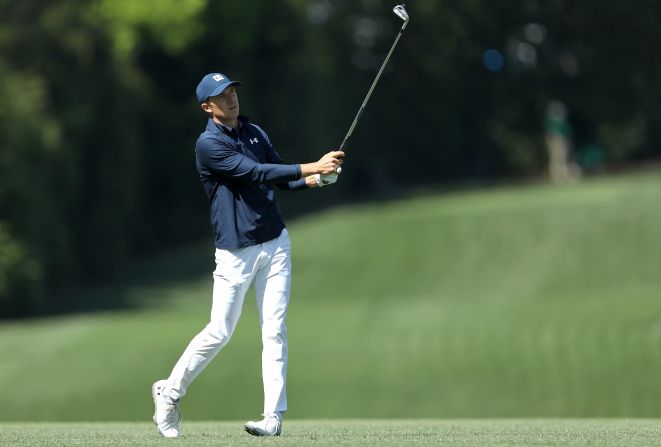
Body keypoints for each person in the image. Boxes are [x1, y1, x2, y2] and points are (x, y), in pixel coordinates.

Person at [151, 72, 344, 438]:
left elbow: (278, 176)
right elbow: (254, 172)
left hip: (275, 242)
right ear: (207, 107)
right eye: (221, 96)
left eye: (232, 92)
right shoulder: (208, 145)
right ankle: (169, 391)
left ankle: (273, 417)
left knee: (274, 330)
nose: (231, 99)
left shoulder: (255, 131)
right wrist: (312, 166)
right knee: (220, 331)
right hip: (235, 252)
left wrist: (312, 180)